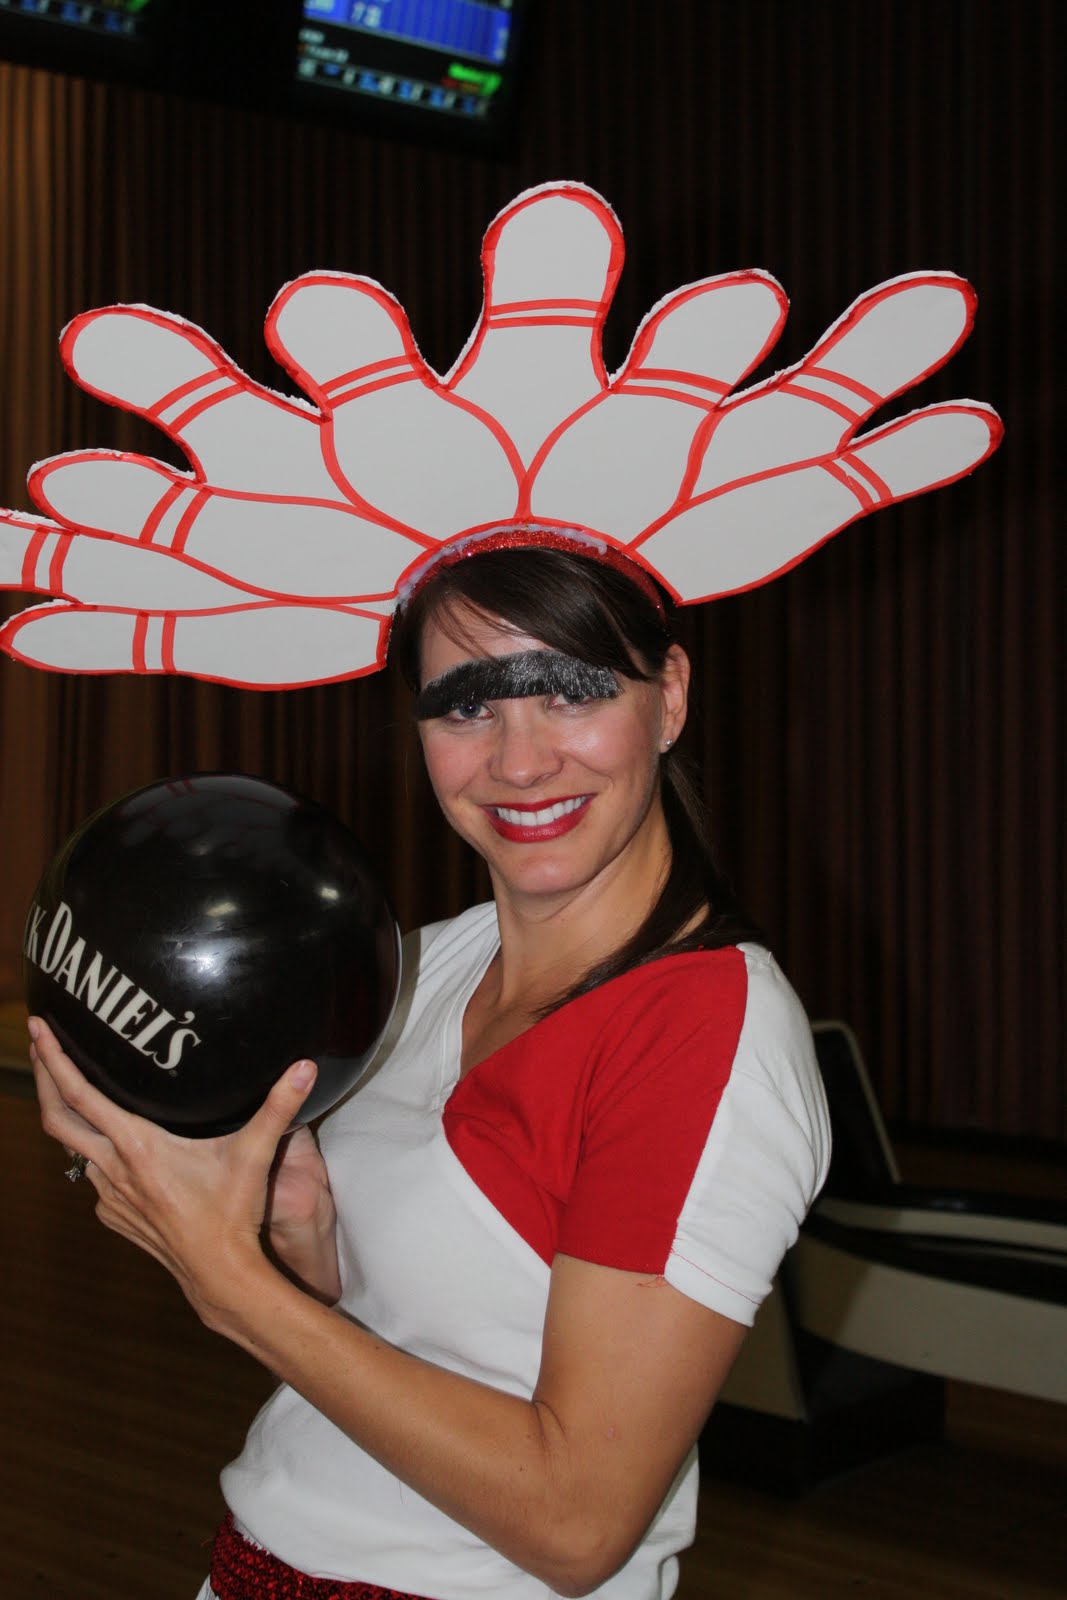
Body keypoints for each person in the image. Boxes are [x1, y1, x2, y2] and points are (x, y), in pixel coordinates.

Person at [31, 535, 831, 1600]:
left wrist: (226, 1281)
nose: (519, 758)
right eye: (465, 705)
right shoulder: (425, 964)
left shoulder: (700, 1032)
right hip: (260, 1564)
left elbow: (575, 1520)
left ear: (669, 694)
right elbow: (406, 1343)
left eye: (570, 690)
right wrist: (296, 1246)